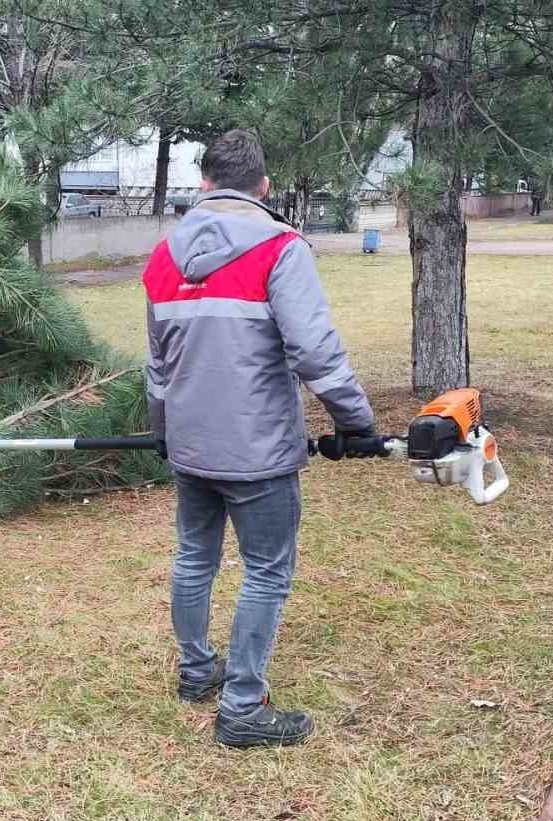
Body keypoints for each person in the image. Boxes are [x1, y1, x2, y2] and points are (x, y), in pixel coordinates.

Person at [141, 130, 376, 749]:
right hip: (259, 454)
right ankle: (242, 706)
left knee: (195, 558)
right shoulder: (280, 248)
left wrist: (161, 431)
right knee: (266, 572)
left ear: (205, 184)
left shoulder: (163, 258)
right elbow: (315, 351)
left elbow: (157, 367)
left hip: (190, 447)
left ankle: (198, 673)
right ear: (264, 187)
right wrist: (356, 423)